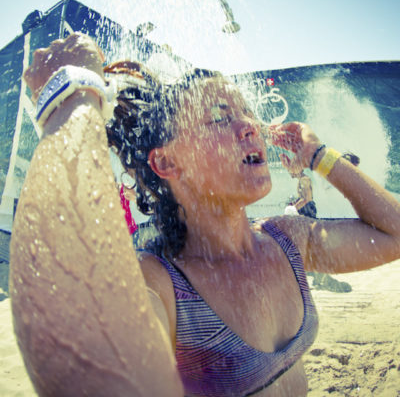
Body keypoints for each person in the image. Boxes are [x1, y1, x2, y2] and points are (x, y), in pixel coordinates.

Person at [9, 33, 400, 397]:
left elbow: (394, 233)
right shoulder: (162, 284)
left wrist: (319, 155)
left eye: (246, 112)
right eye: (218, 115)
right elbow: (78, 370)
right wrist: (71, 95)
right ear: (165, 162)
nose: (248, 125)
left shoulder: (288, 239)